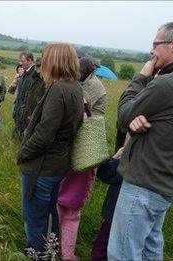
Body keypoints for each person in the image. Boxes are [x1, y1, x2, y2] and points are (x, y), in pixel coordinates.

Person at [108, 20, 173, 260]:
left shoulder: (168, 83)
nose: (152, 51)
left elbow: (124, 116)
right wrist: (137, 126)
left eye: (155, 44)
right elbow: (171, 124)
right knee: (150, 248)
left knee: (122, 254)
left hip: (144, 184)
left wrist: (142, 76)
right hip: (168, 182)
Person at [17, 43, 84, 258]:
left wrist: (23, 153)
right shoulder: (75, 86)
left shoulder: (58, 89)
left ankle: (37, 254)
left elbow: (45, 132)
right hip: (57, 164)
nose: (41, 62)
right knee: (49, 215)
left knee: (35, 217)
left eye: (45, 58)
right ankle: (51, 252)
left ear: (54, 61)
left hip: (42, 166)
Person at [56, 57, 107, 261]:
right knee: (69, 209)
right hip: (82, 157)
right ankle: (65, 253)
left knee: (62, 206)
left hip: (76, 155)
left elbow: (94, 122)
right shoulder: (89, 88)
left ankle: (55, 249)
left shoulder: (77, 89)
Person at [90, 134, 130, 261]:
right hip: (135, 216)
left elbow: (104, 172)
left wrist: (116, 156)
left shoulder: (128, 161)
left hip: (114, 214)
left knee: (100, 251)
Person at [13, 51, 35, 140]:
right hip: (19, 109)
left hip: (26, 112)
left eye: (23, 61)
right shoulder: (24, 74)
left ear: (30, 61)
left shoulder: (33, 75)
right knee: (18, 136)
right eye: (20, 61)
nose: (21, 64)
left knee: (24, 137)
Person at [21, 57, 46, 130]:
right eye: (36, 66)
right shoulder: (33, 78)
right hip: (27, 114)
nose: (37, 69)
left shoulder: (46, 82)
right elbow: (27, 96)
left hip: (37, 118)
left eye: (40, 66)